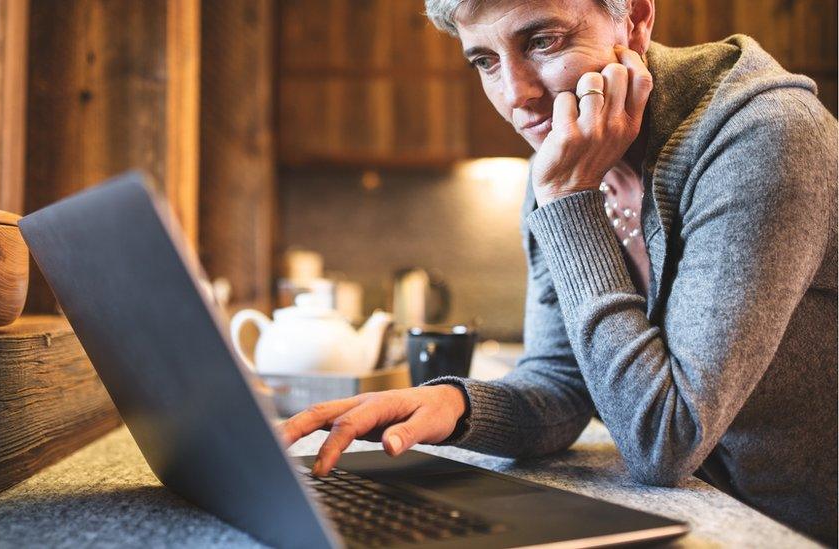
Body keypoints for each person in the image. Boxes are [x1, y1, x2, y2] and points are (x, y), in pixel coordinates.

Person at [279, 0, 838, 542]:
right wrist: (454, 405)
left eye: (543, 41)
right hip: (690, 512)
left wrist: (568, 201)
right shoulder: (561, 158)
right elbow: (561, 380)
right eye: (485, 61)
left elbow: (665, 440)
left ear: (636, 20)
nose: (515, 94)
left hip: (788, 529)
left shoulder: (762, 136)